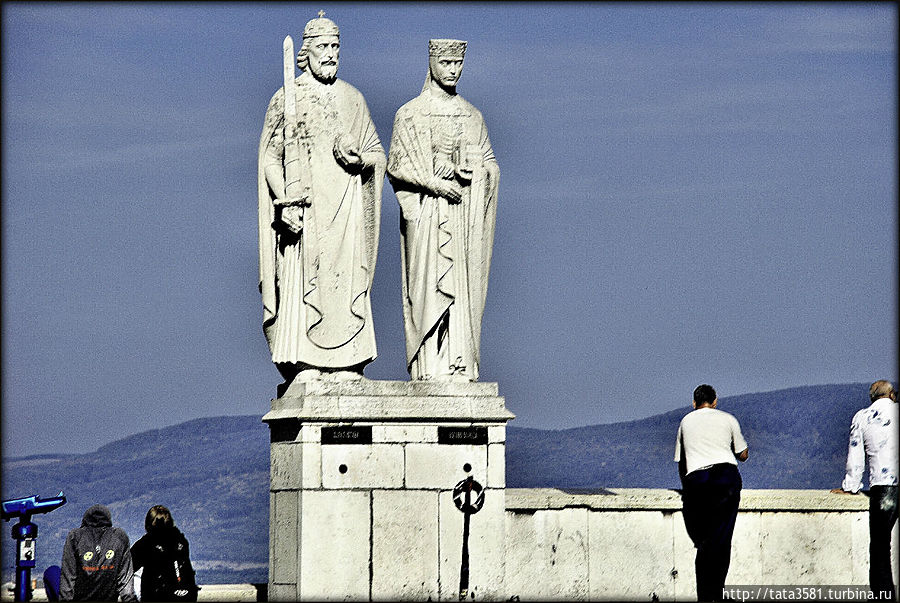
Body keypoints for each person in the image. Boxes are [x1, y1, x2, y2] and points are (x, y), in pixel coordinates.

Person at [257, 13, 386, 389]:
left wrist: (360, 161)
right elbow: (269, 157)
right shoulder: (286, 97)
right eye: (324, 47)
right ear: (306, 52)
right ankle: (306, 361)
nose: (331, 55)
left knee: (344, 287)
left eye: (336, 47)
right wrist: (284, 200)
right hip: (307, 211)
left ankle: (348, 360)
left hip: (345, 213)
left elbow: (378, 154)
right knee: (303, 282)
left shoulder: (353, 99)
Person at [387, 38, 499, 382]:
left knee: (459, 293)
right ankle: (429, 364)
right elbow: (396, 166)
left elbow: (491, 165)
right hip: (427, 215)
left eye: (458, 64)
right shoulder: (410, 114)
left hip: (462, 218)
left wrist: (474, 172)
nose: (452, 70)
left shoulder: (472, 116)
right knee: (426, 293)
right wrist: (433, 182)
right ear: (432, 64)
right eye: (446, 63)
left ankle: (457, 360)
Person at [674, 384, 749, 602]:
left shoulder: (685, 421)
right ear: (715, 401)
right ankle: (716, 593)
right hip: (725, 477)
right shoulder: (728, 419)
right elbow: (742, 454)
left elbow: (682, 461)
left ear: (694, 402)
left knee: (705, 541)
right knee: (722, 540)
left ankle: (705, 595)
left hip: (698, 480)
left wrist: (688, 488)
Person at [831, 380, 898, 601]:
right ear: (892, 395)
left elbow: (856, 457)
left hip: (884, 486)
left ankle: (883, 595)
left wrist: (850, 486)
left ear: (872, 398)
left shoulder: (862, 417)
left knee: (880, 544)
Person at [59, 504, 136, 601]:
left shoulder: (75, 537)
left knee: (52, 571)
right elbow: (126, 582)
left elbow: (68, 577)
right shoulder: (120, 537)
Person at [130, 505, 198, 602]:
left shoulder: (146, 543)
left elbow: (127, 567)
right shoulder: (181, 541)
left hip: (157, 596)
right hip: (187, 594)